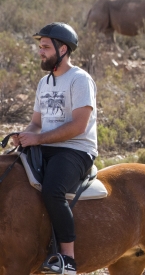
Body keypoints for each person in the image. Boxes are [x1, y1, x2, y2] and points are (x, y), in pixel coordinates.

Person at [12, 22, 98, 275]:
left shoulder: (80, 79)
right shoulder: (44, 82)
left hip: (75, 150)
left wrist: (38, 139)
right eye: (40, 47)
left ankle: (67, 259)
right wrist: (27, 135)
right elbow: (37, 123)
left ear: (63, 49)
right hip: (46, 146)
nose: (40, 52)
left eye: (46, 47)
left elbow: (79, 125)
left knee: (52, 191)